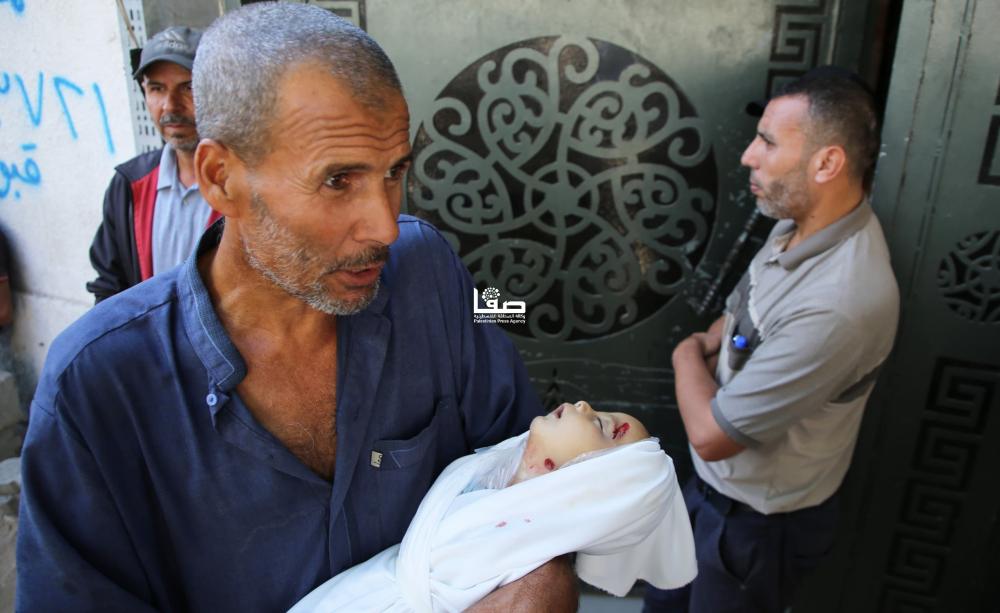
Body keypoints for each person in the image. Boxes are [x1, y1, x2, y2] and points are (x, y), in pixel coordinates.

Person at [17, 5, 575, 611]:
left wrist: (542, 578)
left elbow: (531, 472)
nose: (385, 226)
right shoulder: (94, 388)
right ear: (220, 177)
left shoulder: (427, 274)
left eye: (394, 172)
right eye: (338, 181)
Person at [644, 67, 900, 612]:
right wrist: (714, 342)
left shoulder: (838, 304)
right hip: (711, 494)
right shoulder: (797, 223)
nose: (747, 157)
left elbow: (712, 436)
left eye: (767, 142)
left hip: (755, 527)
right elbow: (743, 314)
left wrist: (685, 353)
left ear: (827, 163)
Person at [290, 402, 697, 612]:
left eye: (602, 426)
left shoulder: (524, 555)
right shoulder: (496, 479)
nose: (585, 406)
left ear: (587, 485)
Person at [86, 25, 220, 302]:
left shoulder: (248, 182)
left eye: (188, 87)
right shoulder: (129, 185)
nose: (170, 106)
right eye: (157, 89)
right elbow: (110, 288)